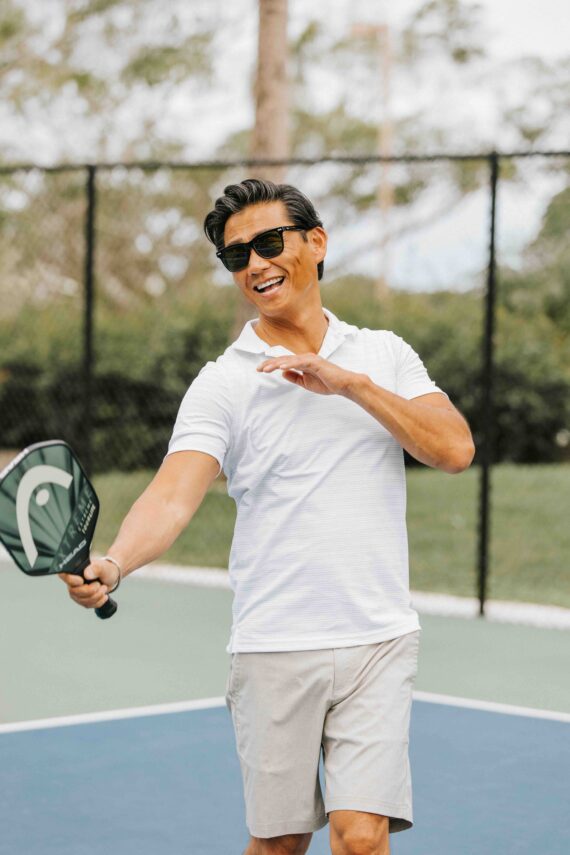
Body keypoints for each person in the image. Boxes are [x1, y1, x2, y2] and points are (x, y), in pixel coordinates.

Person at [59, 178, 475, 855]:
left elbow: (454, 448)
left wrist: (351, 384)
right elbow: (171, 494)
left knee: (361, 837)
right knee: (280, 843)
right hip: (276, 642)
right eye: (236, 255)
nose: (254, 264)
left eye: (267, 243)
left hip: (379, 638)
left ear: (316, 242)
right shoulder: (223, 381)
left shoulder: (385, 355)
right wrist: (113, 561)